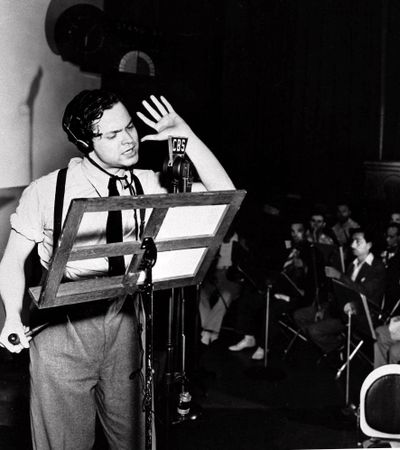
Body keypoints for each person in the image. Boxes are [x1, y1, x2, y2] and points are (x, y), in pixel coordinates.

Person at [0, 90, 235, 450]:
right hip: (63, 327)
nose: (128, 139)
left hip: (126, 322)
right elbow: (13, 260)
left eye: (129, 128)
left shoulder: (149, 182)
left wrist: (184, 136)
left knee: (136, 439)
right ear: (83, 142)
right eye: (111, 135)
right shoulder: (46, 191)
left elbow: (224, 194)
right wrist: (12, 318)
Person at [294, 227, 385, 355]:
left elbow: (363, 292)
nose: (353, 245)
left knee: (315, 331)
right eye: (353, 241)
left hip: (360, 315)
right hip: (340, 309)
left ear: (369, 245)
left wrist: (340, 276)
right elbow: (341, 292)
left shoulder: (377, 267)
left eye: (358, 242)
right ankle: (335, 344)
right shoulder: (352, 264)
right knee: (300, 316)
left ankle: (336, 347)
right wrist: (324, 307)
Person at [228, 220, 310, 360]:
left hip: (296, 296)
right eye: (292, 231)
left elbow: (310, 283)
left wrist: (303, 267)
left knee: (270, 310)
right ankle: (249, 338)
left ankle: (264, 346)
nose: (295, 234)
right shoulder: (289, 248)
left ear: (306, 232)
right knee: (248, 299)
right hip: (280, 289)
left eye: (299, 231)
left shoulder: (311, 252)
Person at [199, 228, 243, 345]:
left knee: (226, 296)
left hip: (230, 276)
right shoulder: (216, 238)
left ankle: (208, 330)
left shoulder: (238, 239)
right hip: (215, 275)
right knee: (201, 294)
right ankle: (209, 329)